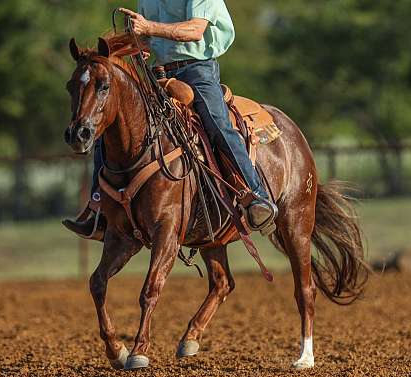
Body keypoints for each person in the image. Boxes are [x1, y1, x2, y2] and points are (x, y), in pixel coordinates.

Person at [63, 0, 277, 240]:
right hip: (158, 74)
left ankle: (257, 197)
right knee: (111, 128)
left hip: (197, 70)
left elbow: (195, 30)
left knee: (217, 125)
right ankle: (98, 210)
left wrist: (149, 28)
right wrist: (135, 45)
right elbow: (147, 39)